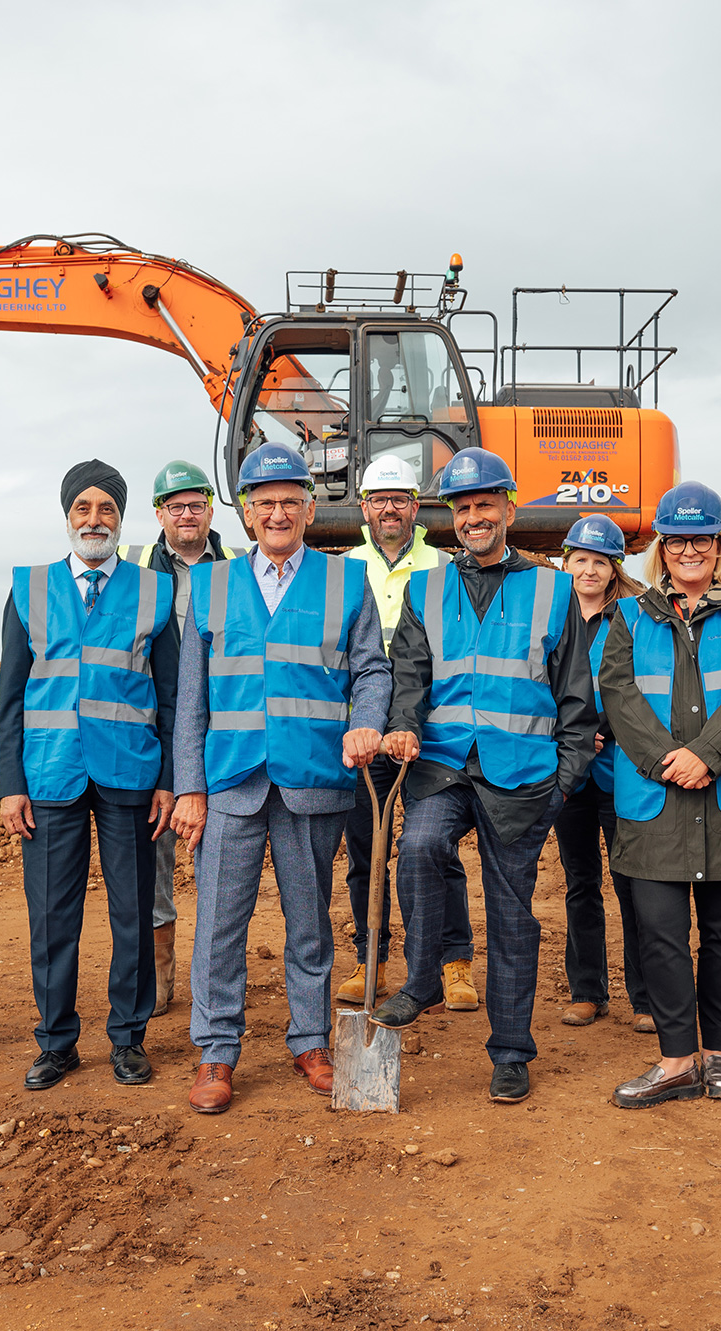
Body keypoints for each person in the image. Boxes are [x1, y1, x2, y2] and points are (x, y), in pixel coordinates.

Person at [368, 447, 596, 1105]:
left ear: (507, 508)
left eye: (484, 504)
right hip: (441, 765)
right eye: (463, 507)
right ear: (452, 517)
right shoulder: (427, 587)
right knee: (418, 847)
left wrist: (563, 781)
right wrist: (404, 722)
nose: (474, 516)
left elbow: (576, 697)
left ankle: (511, 1052)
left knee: (511, 917)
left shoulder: (554, 589)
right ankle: (425, 976)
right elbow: (409, 675)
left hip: (523, 776)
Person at [171, 442, 389, 1114]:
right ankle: (215, 1050)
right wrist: (188, 787)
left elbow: (373, 670)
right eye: (264, 502)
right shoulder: (208, 585)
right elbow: (191, 699)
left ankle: (312, 1038)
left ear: (309, 507)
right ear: (245, 513)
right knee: (218, 926)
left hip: (314, 777)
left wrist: (369, 722)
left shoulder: (346, 581)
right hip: (231, 779)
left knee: (309, 924)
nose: (277, 512)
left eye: (289, 500)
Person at [596, 482, 721, 1108]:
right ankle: (678, 1060)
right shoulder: (628, 615)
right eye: (677, 540)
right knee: (661, 933)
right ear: (662, 547)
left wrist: (708, 755)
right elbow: (619, 696)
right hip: (655, 801)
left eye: (702, 538)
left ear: (719, 543)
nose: (690, 550)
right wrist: (667, 763)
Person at [0, 460, 178, 1091]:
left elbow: (175, 697)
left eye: (106, 509)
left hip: (132, 772)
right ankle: (56, 1042)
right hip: (49, 775)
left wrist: (171, 779)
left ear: (121, 519)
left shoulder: (155, 590)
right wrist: (9, 784)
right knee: (51, 915)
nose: (94, 520)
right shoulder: (30, 588)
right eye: (83, 509)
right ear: (67, 516)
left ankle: (128, 1038)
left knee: (133, 911)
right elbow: (11, 695)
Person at [335, 455, 478, 1010]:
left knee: (434, 850)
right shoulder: (344, 570)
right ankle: (369, 958)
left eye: (399, 499)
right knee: (365, 853)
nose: (389, 508)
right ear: (364, 508)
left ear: (415, 507)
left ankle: (454, 962)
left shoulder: (443, 568)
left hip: (428, 733)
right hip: (363, 734)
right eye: (378, 499)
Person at [118, 460, 246, 1012]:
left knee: (223, 849)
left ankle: (214, 975)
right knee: (158, 845)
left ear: (209, 509)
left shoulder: (240, 564)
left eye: (195, 504)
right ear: (159, 514)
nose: (186, 514)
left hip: (224, 726)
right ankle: (161, 969)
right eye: (175, 506)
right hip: (153, 724)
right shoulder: (134, 568)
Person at [551, 514, 653, 1029]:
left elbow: (639, 687)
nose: (589, 570)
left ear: (615, 569)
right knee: (579, 881)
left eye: (600, 562)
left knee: (632, 882)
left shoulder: (634, 617)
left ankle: (645, 998)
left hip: (619, 768)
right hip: (570, 771)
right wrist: (568, 735)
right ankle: (587, 990)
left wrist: (603, 732)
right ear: (566, 561)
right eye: (581, 560)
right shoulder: (550, 612)